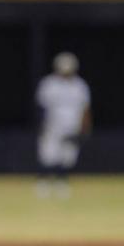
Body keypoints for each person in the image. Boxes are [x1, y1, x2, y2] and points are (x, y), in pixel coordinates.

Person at [34, 51, 92, 198]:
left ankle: (62, 182)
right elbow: (41, 107)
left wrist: (85, 128)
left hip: (72, 126)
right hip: (52, 125)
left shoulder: (80, 86)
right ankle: (43, 183)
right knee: (48, 155)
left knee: (67, 157)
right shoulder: (49, 84)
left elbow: (85, 109)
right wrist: (40, 125)